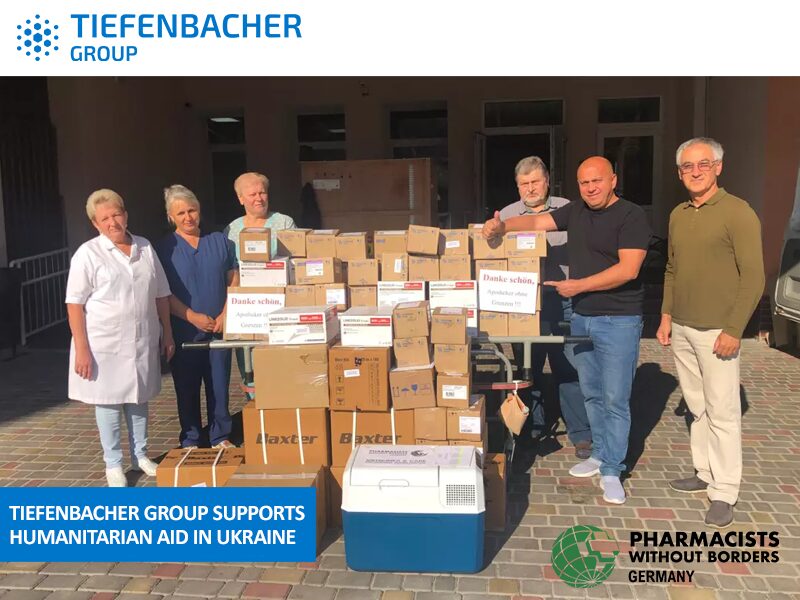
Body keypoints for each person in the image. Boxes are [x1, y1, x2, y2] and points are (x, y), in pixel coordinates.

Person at [484, 156, 650, 504]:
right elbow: (537, 221)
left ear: (613, 180)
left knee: (615, 398)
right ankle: (598, 454)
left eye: (597, 181)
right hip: (584, 316)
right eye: (584, 183)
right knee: (590, 390)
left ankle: (612, 470)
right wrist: (499, 227)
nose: (591, 188)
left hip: (617, 318)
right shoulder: (575, 211)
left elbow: (628, 270)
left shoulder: (632, 215)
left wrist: (578, 286)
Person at [657, 137, 765, 528]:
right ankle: (703, 472)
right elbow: (671, 269)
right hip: (683, 327)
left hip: (719, 330)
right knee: (697, 405)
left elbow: (754, 276)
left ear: (719, 167)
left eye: (703, 164)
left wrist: (735, 328)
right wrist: (667, 315)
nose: (695, 171)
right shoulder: (678, 214)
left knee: (723, 411)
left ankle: (724, 491)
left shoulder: (738, 213)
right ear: (679, 172)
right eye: (687, 166)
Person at [65, 189, 174, 487]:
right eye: (105, 218)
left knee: (139, 398)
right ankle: (113, 463)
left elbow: (161, 294)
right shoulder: (88, 253)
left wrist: (167, 332)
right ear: (95, 224)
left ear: (125, 214)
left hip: (142, 339)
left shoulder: (145, 247)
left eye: (116, 214)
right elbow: (74, 303)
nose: (113, 222)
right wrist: (82, 350)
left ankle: (141, 455)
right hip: (103, 345)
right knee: (109, 402)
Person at [498, 156, 592, 459]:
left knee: (568, 367)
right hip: (525, 304)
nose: (530, 188)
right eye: (524, 184)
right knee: (529, 368)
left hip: (564, 299)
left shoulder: (568, 208)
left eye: (535, 182)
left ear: (547, 181)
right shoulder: (509, 214)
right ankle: (531, 429)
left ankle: (581, 434)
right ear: (517, 186)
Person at [156, 185, 238, 449]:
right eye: (180, 213)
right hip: (185, 328)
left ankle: (220, 435)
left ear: (199, 210)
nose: (187, 217)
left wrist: (227, 312)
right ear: (170, 217)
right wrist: (190, 316)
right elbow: (162, 292)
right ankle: (190, 436)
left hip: (219, 326)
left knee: (218, 384)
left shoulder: (221, 242)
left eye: (191, 210)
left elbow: (233, 280)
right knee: (187, 385)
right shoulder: (164, 249)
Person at [224, 172, 296, 392]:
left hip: (279, 305)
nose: (259, 198)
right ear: (240, 199)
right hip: (248, 309)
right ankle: (255, 412)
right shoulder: (231, 230)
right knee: (249, 366)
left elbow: (295, 263)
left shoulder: (284, 222)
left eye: (262, 192)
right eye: (252, 194)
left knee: (279, 365)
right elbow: (229, 270)